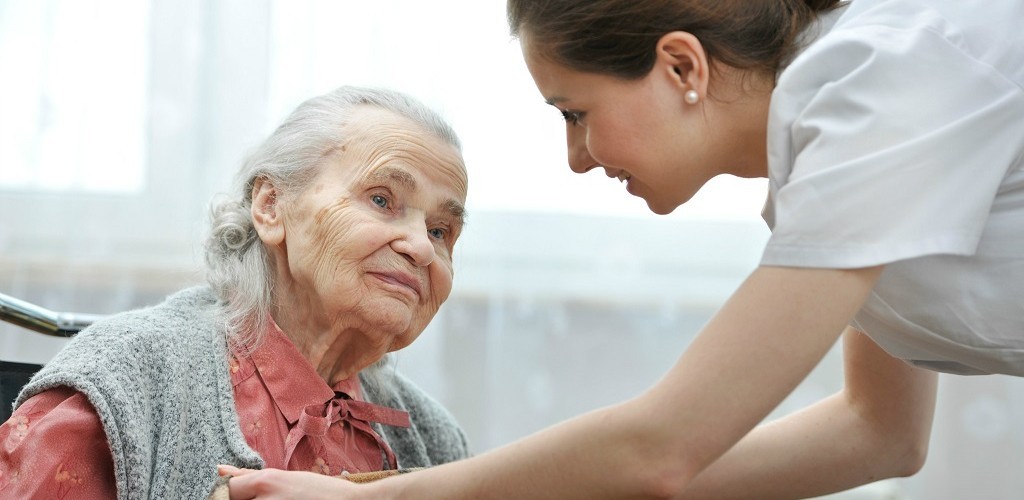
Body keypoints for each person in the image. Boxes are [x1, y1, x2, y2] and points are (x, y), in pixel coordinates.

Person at [223, 0, 1024, 498]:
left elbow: (663, 446)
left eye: (574, 112)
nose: (577, 156)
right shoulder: (830, 165)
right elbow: (877, 431)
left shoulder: (877, 83)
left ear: (682, 65)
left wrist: (392, 499)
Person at [0, 85, 472, 499]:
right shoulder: (127, 386)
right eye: (381, 200)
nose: (420, 249)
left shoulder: (435, 441)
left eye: (439, 231)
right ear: (271, 206)